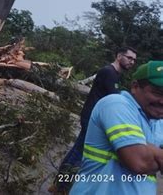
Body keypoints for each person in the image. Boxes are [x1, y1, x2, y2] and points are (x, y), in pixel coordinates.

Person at [51, 47, 137, 193]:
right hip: (92, 118)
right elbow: (114, 97)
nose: (132, 62)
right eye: (129, 58)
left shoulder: (113, 74)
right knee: (79, 153)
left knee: (77, 150)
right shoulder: (109, 72)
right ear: (119, 56)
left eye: (134, 60)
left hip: (92, 117)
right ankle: (62, 187)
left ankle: (58, 184)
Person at [69, 60, 163, 194]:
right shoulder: (116, 104)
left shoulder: (158, 122)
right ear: (135, 87)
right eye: (158, 93)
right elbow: (139, 161)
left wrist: (152, 152)